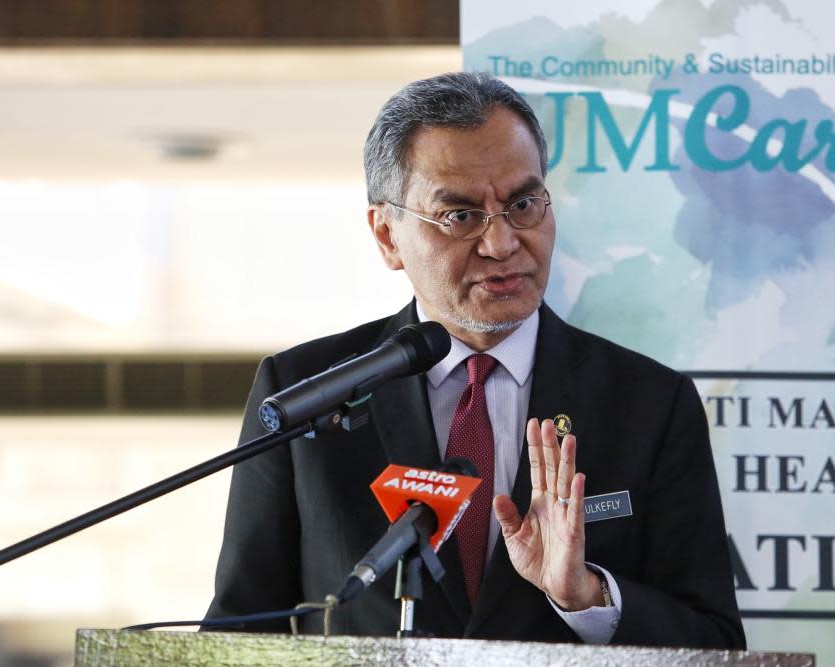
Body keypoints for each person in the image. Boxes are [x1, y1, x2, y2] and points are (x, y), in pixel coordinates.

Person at [205, 72, 745, 648]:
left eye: (522, 204)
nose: (502, 243)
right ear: (387, 235)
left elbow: (714, 644)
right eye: (461, 215)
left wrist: (587, 596)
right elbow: (237, 632)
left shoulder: (650, 404)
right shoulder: (305, 393)